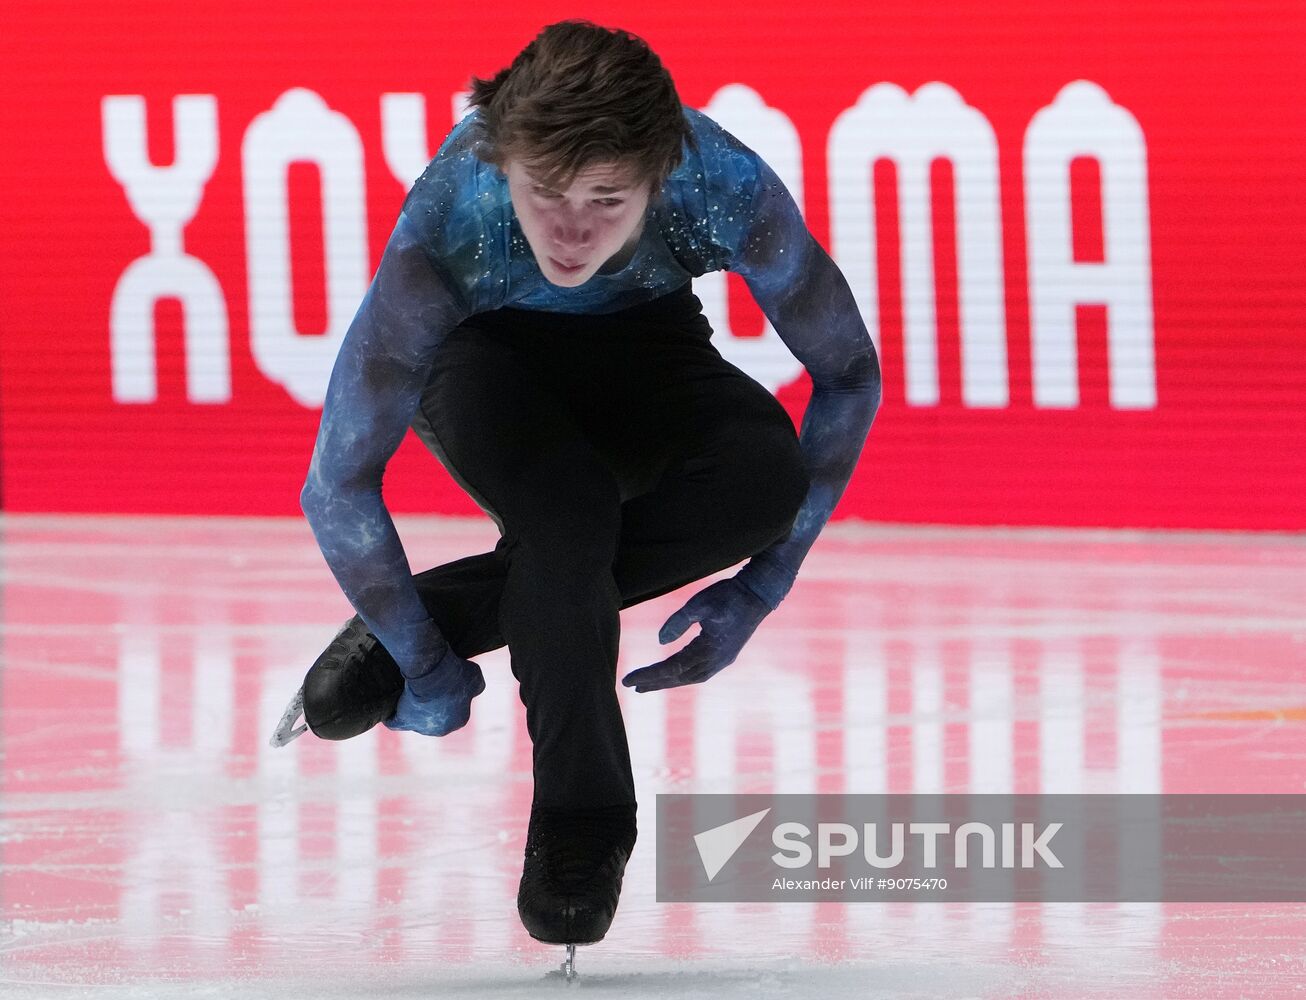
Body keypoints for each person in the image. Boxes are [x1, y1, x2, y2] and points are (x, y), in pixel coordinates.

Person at [290, 19, 881, 948]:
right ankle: (582, 824)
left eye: (608, 199)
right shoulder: (450, 219)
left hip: (649, 345)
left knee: (762, 483)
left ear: (663, 169)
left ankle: (455, 609)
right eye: (545, 194)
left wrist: (763, 584)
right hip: (488, 361)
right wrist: (429, 673)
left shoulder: (720, 181)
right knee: (566, 524)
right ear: (500, 157)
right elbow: (337, 485)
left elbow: (849, 372)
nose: (570, 234)